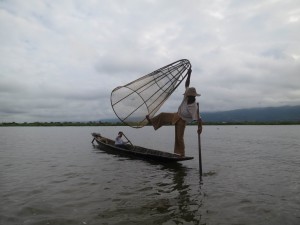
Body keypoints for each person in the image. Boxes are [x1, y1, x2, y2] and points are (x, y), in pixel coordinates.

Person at [146, 68, 202, 157]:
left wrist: (200, 128)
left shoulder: (194, 106)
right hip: (177, 115)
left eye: (189, 96)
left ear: (193, 97)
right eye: (187, 95)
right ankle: (151, 121)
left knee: (179, 138)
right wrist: (189, 74)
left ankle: (181, 154)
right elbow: (187, 84)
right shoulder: (186, 97)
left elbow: (199, 119)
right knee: (163, 115)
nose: (187, 96)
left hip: (182, 121)